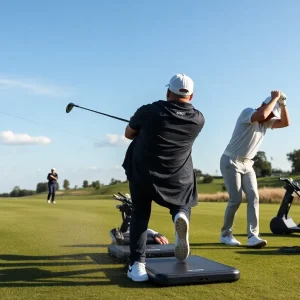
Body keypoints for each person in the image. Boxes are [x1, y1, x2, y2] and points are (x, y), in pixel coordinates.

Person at [122, 74, 205, 282]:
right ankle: (179, 215)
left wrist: (143, 128)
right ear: (192, 95)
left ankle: (137, 265)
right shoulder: (198, 119)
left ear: (168, 92)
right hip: (177, 176)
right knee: (182, 203)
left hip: (143, 173)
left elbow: (128, 133)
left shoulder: (149, 111)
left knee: (141, 214)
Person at [220, 91, 290, 248]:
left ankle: (253, 237)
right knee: (236, 199)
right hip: (230, 161)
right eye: (271, 113)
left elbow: (285, 123)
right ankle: (225, 234)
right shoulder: (248, 112)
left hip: (248, 164)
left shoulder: (266, 122)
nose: (270, 117)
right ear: (264, 105)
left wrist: (282, 104)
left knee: (254, 197)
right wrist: (274, 98)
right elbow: (263, 113)